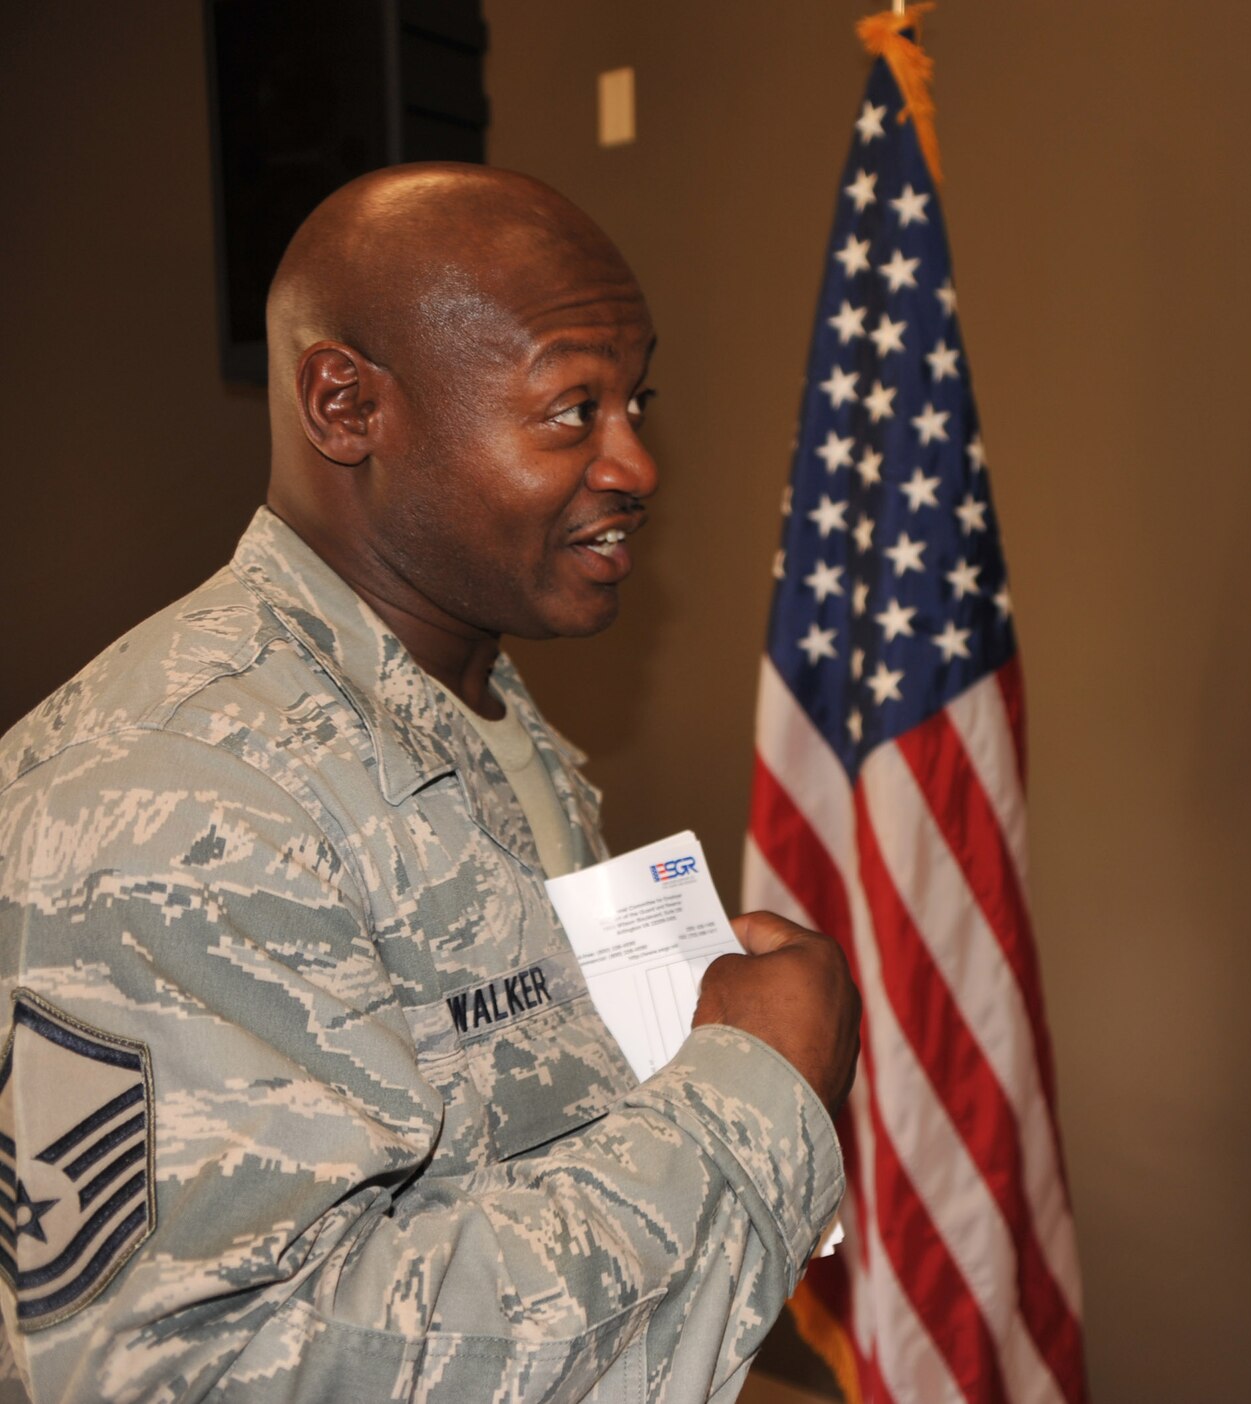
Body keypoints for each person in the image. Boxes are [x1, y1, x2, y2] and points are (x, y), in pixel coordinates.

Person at [0, 164, 860, 1402]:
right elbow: (220, 1372)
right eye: (572, 408)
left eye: (637, 401)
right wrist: (752, 1089)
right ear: (346, 407)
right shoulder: (177, 794)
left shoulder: (482, 709)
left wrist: (696, 1042)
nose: (637, 463)